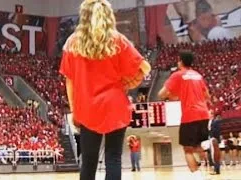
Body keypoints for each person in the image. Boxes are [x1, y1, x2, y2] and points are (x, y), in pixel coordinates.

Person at [59, 0, 151, 179]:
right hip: (115, 105)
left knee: (89, 161)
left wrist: (74, 111)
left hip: (88, 107)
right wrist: (128, 83)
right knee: (113, 158)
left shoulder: (72, 43)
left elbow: (69, 82)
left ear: (84, 16)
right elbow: (145, 68)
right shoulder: (117, 39)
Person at [158, 50, 213, 179]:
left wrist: (172, 96)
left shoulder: (177, 75)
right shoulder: (198, 75)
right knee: (199, 145)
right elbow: (207, 96)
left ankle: (195, 173)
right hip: (204, 114)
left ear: (181, 62)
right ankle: (208, 166)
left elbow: (161, 94)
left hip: (190, 115)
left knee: (188, 149)